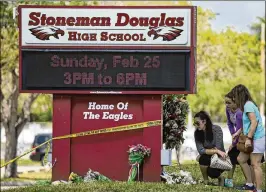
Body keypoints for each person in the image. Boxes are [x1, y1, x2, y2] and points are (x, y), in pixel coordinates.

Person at [231, 84, 265, 192]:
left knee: (256, 164)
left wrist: (249, 139)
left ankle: (258, 189)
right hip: (250, 137)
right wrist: (238, 132)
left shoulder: (248, 105)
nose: (233, 99)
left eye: (234, 96)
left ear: (239, 95)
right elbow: (248, 123)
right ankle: (250, 184)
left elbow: (254, 122)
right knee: (241, 159)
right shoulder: (246, 105)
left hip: (257, 138)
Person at [224, 91, 254, 187]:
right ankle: (229, 182)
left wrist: (234, 143)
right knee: (231, 156)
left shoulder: (240, 112)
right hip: (238, 137)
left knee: (248, 161)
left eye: (229, 102)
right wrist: (233, 136)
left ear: (235, 102)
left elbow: (240, 128)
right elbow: (229, 123)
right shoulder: (228, 110)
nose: (226, 105)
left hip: (245, 137)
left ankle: (250, 183)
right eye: (225, 102)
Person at [194, 111, 226, 186]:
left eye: (197, 123)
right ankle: (206, 181)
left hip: (219, 158)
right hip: (208, 157)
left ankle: (221, 178)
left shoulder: (216, 129)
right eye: (194, 123)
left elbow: (219, 147)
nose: (196, 125)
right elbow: (201, 150)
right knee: (203, 158)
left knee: (211, 172)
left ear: (204, 121)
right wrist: (216, 150)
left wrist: (211, 151)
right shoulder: (197, 133)